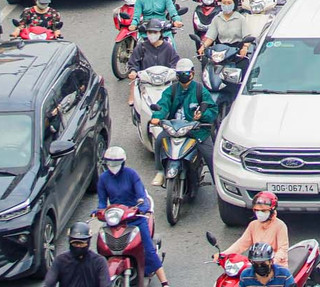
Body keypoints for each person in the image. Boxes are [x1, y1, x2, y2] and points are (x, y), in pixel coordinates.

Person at [95, 148, 168, 283]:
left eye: (116, 162)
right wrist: (99, 211)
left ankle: (164, 282)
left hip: (135, 218)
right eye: (109, 162)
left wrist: (142, 208)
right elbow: (102, 202)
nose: (112, 166)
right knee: (102, 248)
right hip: (116, 220)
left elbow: (142, 196)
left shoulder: (131, 175)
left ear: (123, 162)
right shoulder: (103, 179)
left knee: (149, 250)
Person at [148, 59, 216, 186]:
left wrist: (202, 115)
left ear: (192, 73)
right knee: (159, 141)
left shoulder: (200, 90)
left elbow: (212, 110)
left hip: (197, 130)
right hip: (174, 128)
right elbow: (163, 104)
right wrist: (157, 117)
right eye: (180, 74)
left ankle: (219, 185)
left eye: (186, 73)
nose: (183, 76)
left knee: (210, 155)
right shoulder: (172, 90)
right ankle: (160, 171)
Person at [218, 191, 290, 263]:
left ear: (272, 210)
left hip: (276, 266)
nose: (259, 213)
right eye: (257, 210)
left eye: (263, 211)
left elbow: (282, 249)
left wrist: (273, 261)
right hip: (256, 264)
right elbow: (241, 244)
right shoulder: (253, 225)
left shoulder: (280, 226)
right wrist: (223, 255)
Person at [127, 19, 181, 105]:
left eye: (155, 32)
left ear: (160, 33)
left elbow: (175, 63)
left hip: (165, 82)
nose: (152, 35)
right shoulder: (141, 47)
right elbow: (133, 62)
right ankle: (132, 96)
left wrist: (174, 72)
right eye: (150, 32)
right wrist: (133, 71)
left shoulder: (168, 47)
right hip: (146, 82)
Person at [43, 221, 113, 287]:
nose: (78, 246)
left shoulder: (99, 262)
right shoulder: (60, 261)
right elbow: (49, 283)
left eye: (82, 243)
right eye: (75, 243)